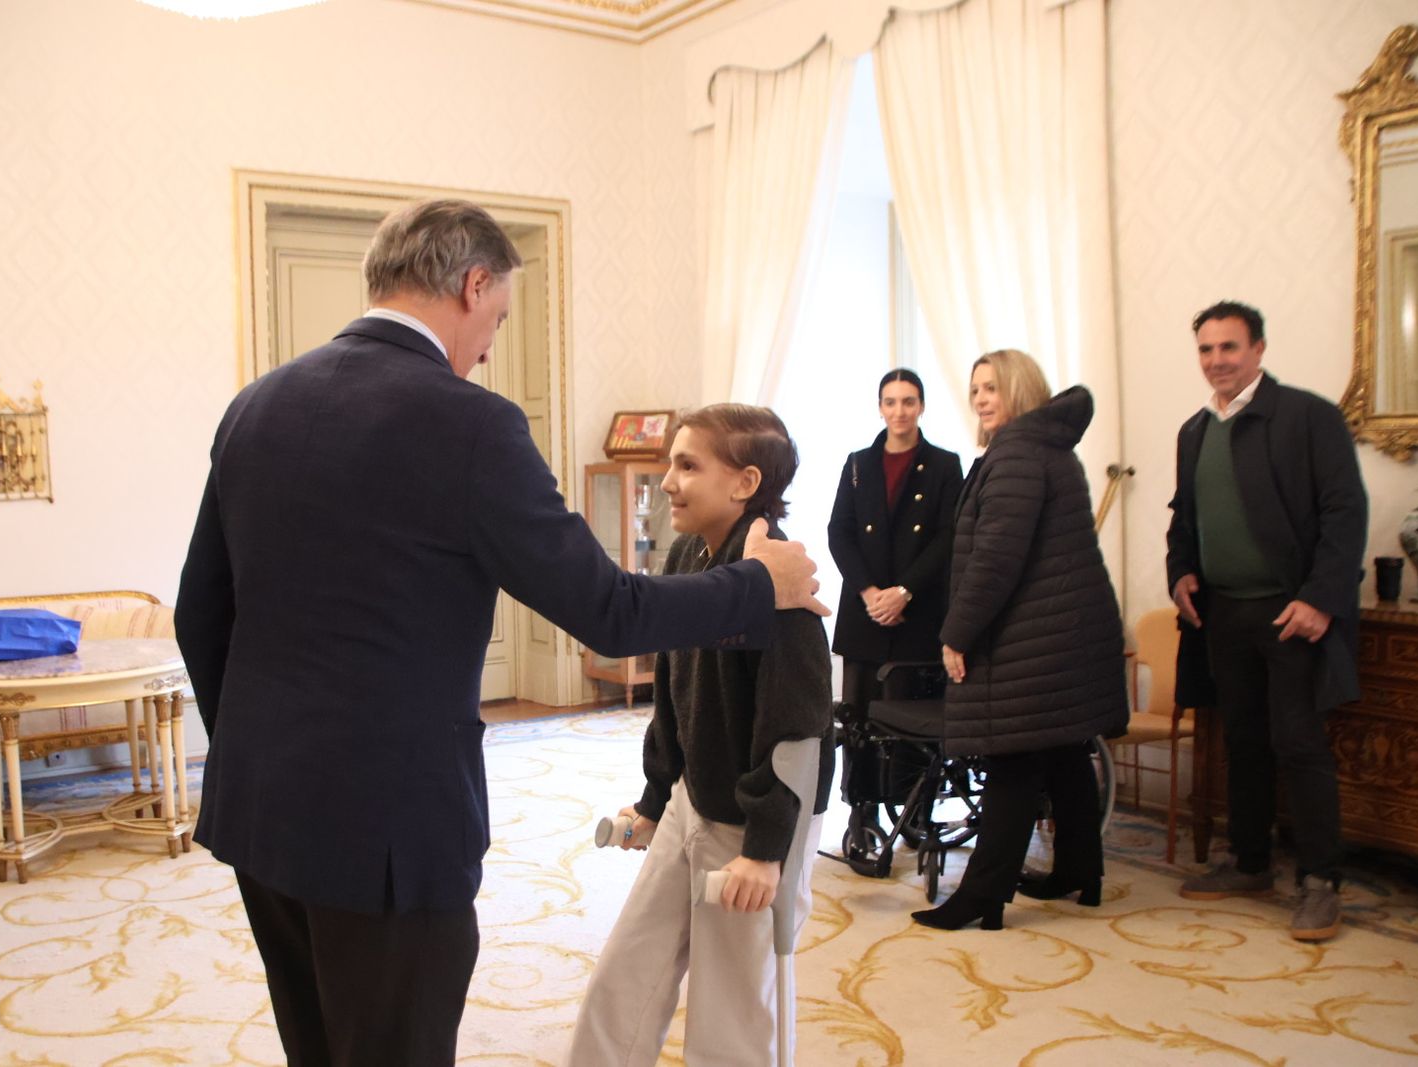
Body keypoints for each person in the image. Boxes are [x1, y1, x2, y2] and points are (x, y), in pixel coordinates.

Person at [173, 199, 827, 1067]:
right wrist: (759, 583)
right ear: (474, 284)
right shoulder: (469, 422)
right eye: (498, 319)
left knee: (318, 1044)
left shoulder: (255, 406)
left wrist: (262, 751)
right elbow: (609, 610)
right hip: (391, 829)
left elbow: (199, 614)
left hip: (261, 810)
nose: (488, 347)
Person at [566, 404, 834, 1067]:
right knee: (623, 978)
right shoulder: (688, 555)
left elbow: (798, 734)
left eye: (687, 465)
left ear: (745, 482)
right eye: (669, 464)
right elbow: (676, 690)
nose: (666, 482)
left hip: (756, 821)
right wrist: (657, 796)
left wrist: (767, 852)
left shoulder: (782, 579)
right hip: (695, 797)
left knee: (732, 1016)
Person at [1166, 300, 1367, 942]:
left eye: (1229, 347)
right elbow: (1183, 519)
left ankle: (1319, 882)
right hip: (1224, 614)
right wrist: (1181, 572)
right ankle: (1251, 864)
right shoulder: (1195, 431)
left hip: (1292, 613)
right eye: (1206, 349)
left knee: (1299, 745)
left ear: (1258, 349)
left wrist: (1320, 599)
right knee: (1243, 743)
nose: (1217, 360)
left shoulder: (1308, 417)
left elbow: (1345, 512)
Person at [913, 350, 1127, 931]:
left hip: (1037, 635)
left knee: (1012, 759)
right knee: (1062, 751)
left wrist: (957, 632)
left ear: (1021, 391)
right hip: (1063, 631)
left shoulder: (1017, 454)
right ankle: (1081, 870)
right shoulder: (1046, 448)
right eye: (975, 388)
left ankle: (982, 894)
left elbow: (995, 559)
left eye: (993, 388)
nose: (981, 399)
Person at [827, 368, 962, 824]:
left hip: (917, 613)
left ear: (921, 406)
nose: (899, 410)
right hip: (865, 613)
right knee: (861, 719)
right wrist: (870, 592)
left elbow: (949, 536)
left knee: (912, 720)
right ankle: (861, 813)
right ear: (880, 407)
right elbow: (839, 532)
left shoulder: (945, 464)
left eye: (908, 401)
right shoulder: (858, 464)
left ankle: (917, 812)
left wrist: (904, 592)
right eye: (891, 401)